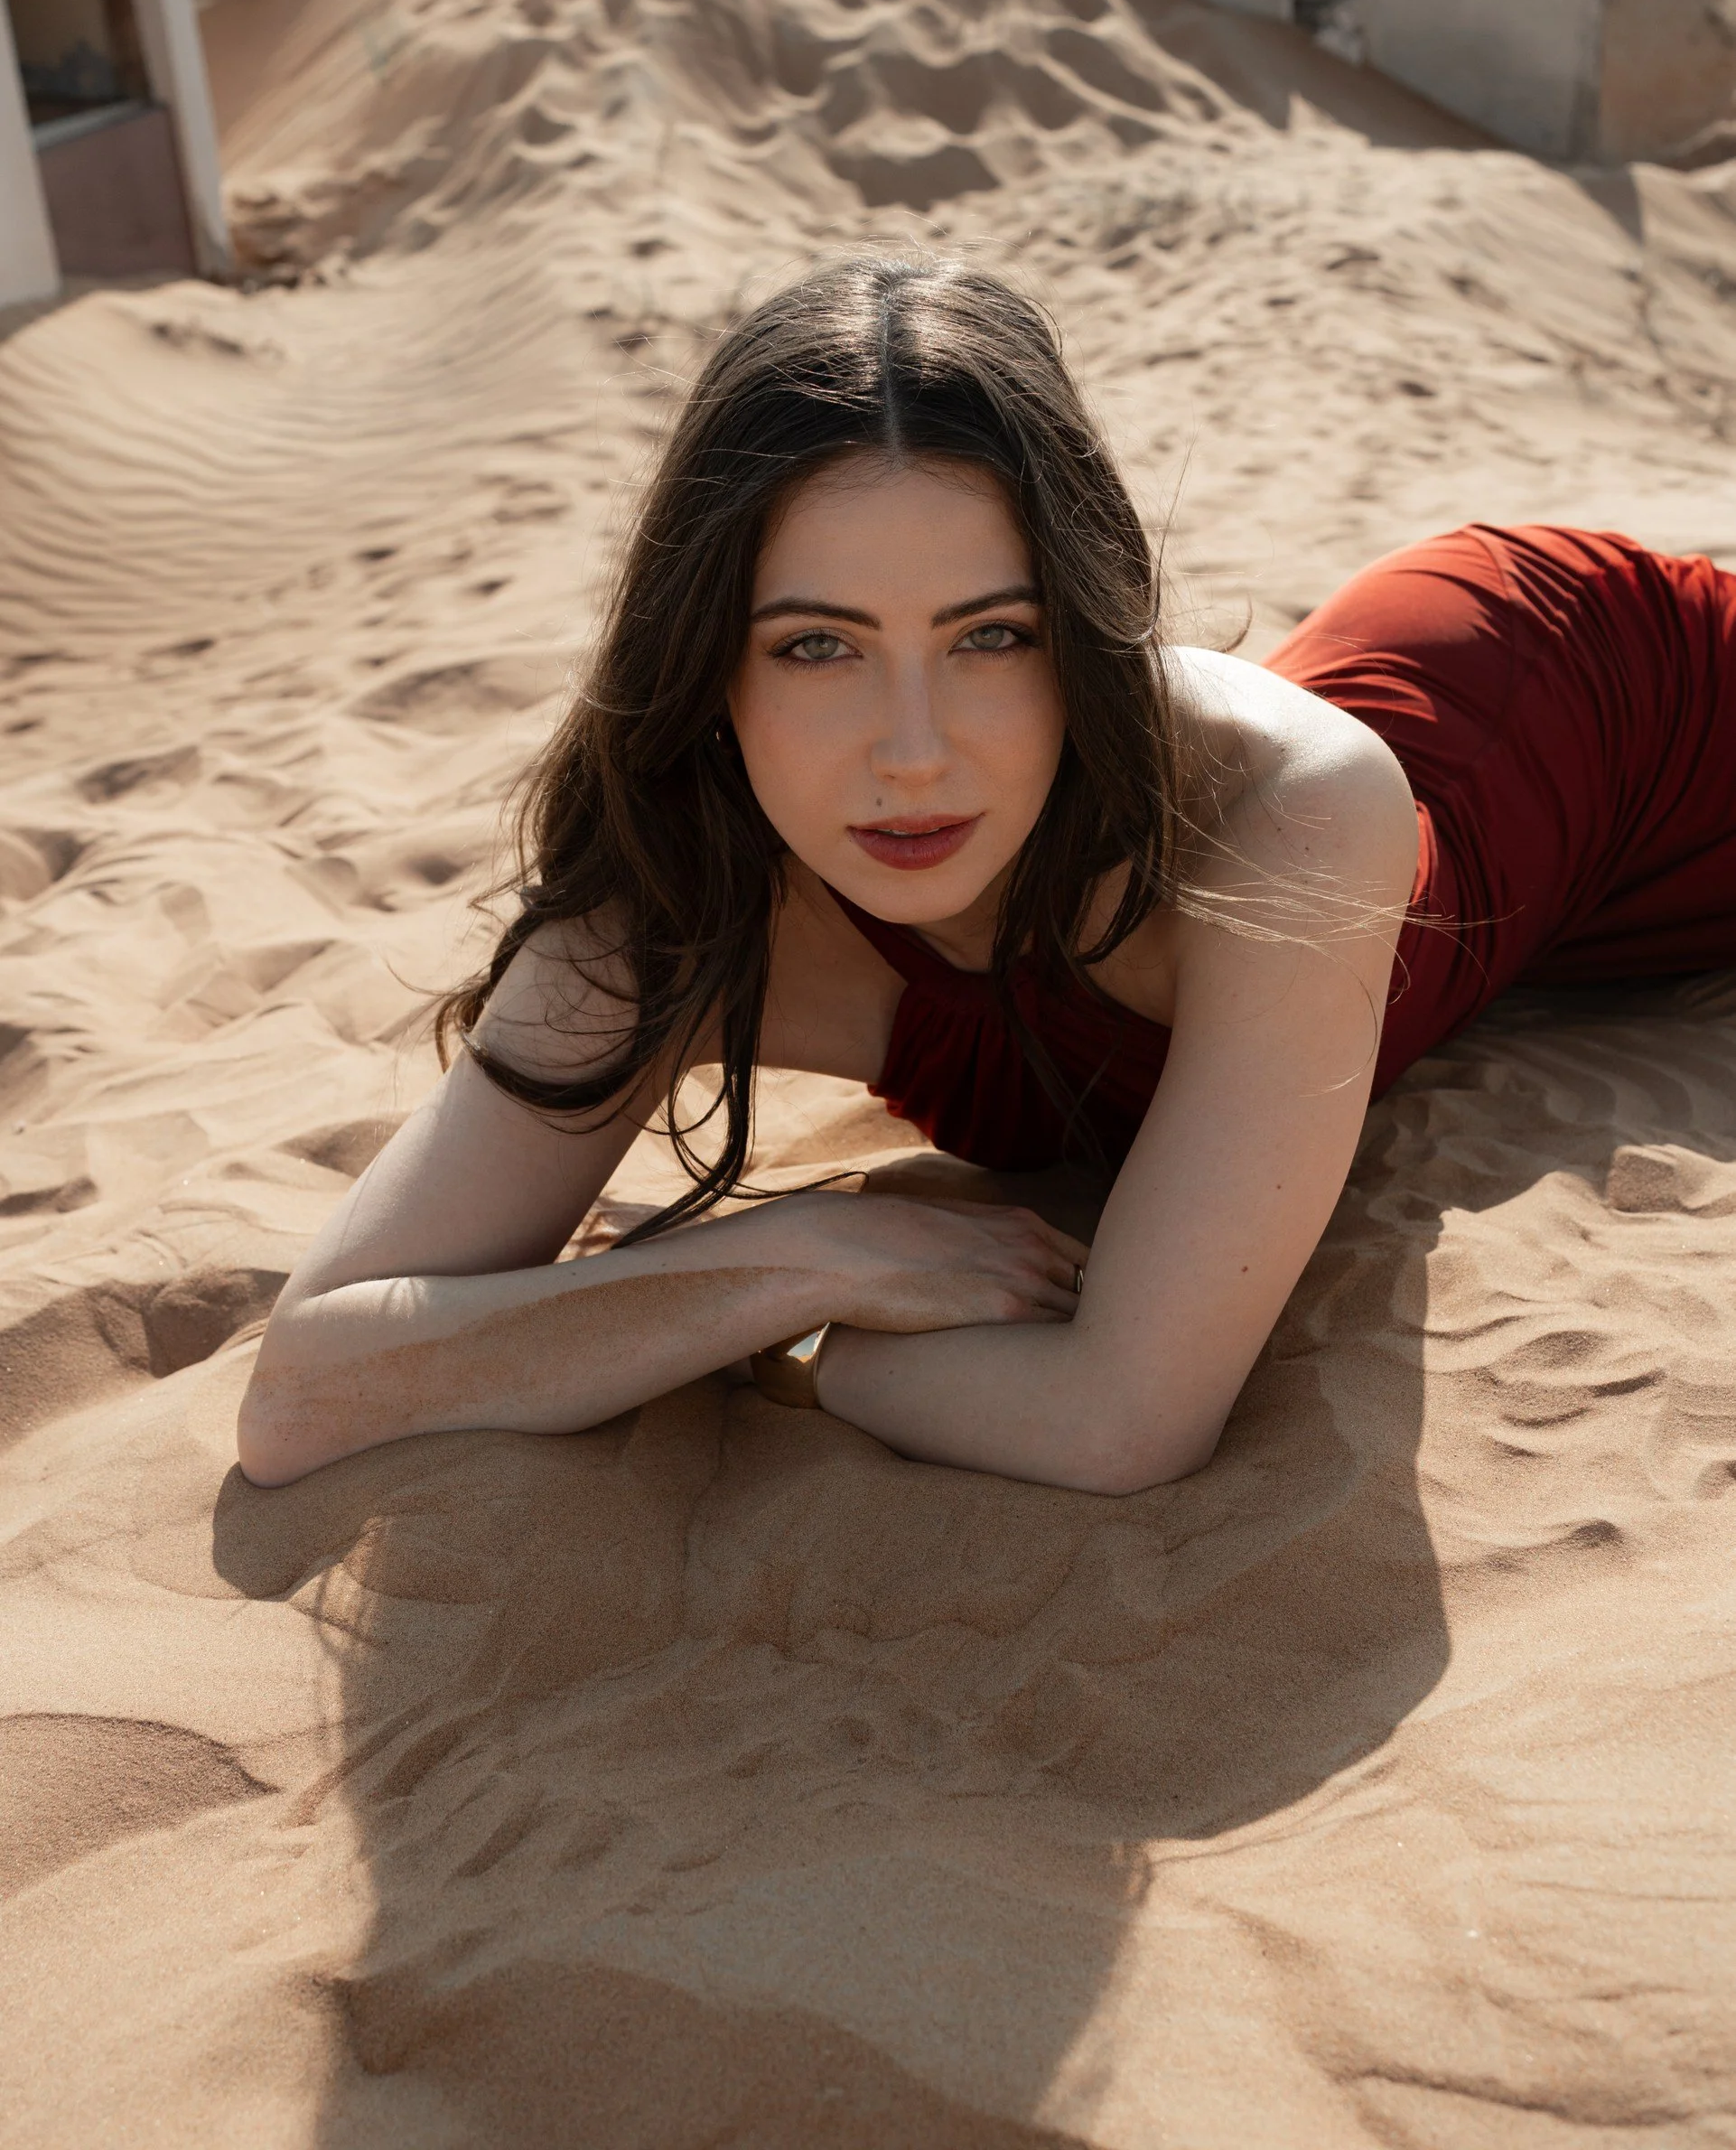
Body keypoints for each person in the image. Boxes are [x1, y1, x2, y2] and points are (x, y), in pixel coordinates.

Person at [236, 255, 1736, 1493]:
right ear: (707, 666)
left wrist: (797, 1350)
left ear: (1080, 637)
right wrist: (798, 1253)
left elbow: (1122, 1420)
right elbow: (304, 1394)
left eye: (990, 637)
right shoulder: (665, 913)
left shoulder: (1284, 810)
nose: (912, 755)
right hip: (1539, 921)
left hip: (1613, 711)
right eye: (816, 646)